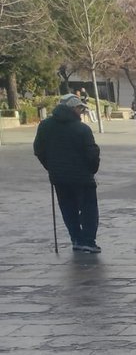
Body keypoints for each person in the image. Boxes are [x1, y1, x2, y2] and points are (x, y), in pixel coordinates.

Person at [33, 93, 102, 253]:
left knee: (67, 207)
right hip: (83, 176)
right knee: (88, 208)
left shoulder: (45, 126)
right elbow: (91, 153)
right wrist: (92, 169)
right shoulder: (82, 129)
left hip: (59, 176)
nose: (81, 112)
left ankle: (76, 238)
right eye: (80, 108)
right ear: (73, 108)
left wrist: (50, 167)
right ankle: (88, 241)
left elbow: (39, 150)